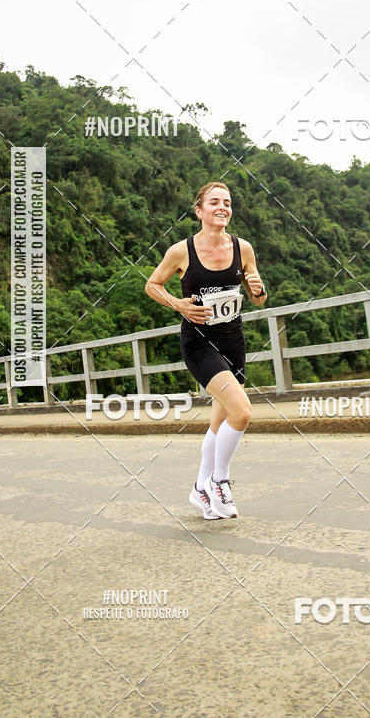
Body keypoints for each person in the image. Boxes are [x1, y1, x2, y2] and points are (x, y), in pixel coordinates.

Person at [144, 182, 267, 519]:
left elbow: (257, 297)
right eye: (214, 202)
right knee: (242, 412)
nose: (222, 207)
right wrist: (178, 304)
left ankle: (200, 488)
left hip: (233, 342)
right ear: (199, 211)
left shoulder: (243, 248)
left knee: (220, 420)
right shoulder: (180, 251)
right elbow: (152, 285)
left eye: (227, 202)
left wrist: (259, 290)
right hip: (199, 343)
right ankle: (219, 481)